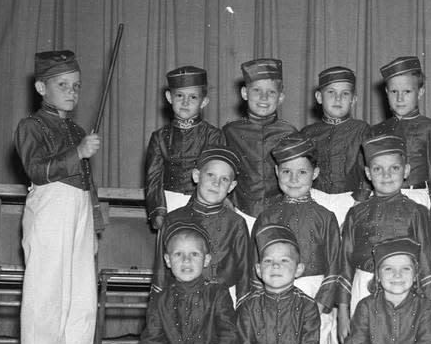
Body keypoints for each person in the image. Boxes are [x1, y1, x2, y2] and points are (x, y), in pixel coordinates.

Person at [14, 49, 102, 344]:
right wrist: (77, 152)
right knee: (47, 287)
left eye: (76, 86)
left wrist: (95, 223)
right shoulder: (30, 126)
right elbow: (36, 169)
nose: (71, 92)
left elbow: (88, 181)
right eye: (62, 84)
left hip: (79, 206)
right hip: (50, 205)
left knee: (81, 289)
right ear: (40, 87)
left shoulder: (77, 129)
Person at [87, 222, 237, 344]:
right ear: (167, 260)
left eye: (194, 254)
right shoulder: (161, 299)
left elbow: (229, 336)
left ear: (206, 260)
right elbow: (152, 343)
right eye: (178, 254)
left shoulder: (218, 293)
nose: (186, 260)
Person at [212, 224, 331, 344]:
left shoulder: (307, 305)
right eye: (268, 261)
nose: (276, 266)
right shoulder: (248, 305)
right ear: (259, 270)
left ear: (299, 269)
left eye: (284, 261)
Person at [251, 135, 344, 344]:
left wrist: (320, 305)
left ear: (315, 173)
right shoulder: (266, 216)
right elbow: (254, 265)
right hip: (272, 291)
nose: (293, 179)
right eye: (286, 171)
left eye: (302, 172)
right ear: (276, 172)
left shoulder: (325, 217)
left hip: (314, 291)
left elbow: (335, 265)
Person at [338, 134, 431, 338]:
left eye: (394, 168)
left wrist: (427, 309)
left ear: (406, 171)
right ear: (367, 173)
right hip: (363, 285)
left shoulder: (417, 211)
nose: (386, 175)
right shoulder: (355, 213)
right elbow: (345, 263)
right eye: (377, 169)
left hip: (404, 287)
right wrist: (342, 313)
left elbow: (426, 262)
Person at [154, 146, 251, 300]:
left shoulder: (236, 223)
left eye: (224, 179)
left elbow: (245, 274)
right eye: (210, 175)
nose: (216, 183)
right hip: (180, 300)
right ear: (196, 176)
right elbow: (160, 273)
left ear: (231, 186)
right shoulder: (173, 219)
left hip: (224, 303)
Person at [143, 65, 227, 231]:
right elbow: (153, 178)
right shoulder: (159, 137)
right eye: (179, 95)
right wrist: (159, 211)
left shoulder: (213, 135)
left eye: (193, 97)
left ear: (204, 102)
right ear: (169, 97)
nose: (185, 102)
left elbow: (219, 174)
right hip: (169, 203)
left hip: (204, 204)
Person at [371, 55, 431, 248]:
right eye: (394, 91)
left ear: (420, 92)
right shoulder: (376, 130)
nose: (400, 98)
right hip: (381, 198)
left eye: (407, 91)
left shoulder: (430, 128)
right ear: (386, 92)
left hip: (417, 198)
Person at [222, 57, 299, 227]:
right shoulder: (230, 132)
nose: (264, 97)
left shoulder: (290, 132)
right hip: (240, 211)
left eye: (271, 92)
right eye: (256, 90)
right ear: (244, 93)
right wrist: (225, 200)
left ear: (281, 97)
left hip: (280, 213)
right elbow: (223, 169)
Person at [301, 65, 374, 228]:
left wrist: (358, 204)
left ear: (353, 100)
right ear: (319, 97)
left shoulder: (361, 129)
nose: (338, 98)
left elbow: (368, 168)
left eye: (345, 93)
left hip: (351, 201)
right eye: (331, 92)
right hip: (314, 199)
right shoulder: (308, 133)